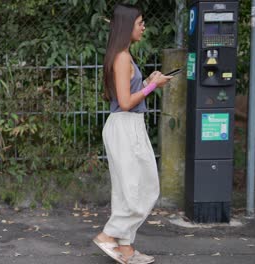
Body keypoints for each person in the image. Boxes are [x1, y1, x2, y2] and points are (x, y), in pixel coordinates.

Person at [92, 4, 172, 264]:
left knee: (132, 190)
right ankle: (108, 235)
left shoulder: (123, 54)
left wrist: (148, 82)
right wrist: (152, 86)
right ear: (128, 26)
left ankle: (126, 248)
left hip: (127, 126)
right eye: (140, 23)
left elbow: (128, 93)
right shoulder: (123, 56)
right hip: (125, 125)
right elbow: (126, 102)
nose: (144, 27)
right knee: (143, 189)